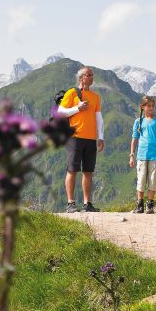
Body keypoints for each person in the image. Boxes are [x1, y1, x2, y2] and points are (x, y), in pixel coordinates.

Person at [58, 66, 104, 212]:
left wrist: (101, 137)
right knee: (72, 170)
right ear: (81, 77)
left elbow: (99, 118)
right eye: (88, 75)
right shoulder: (72, 93)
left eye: (92, 75)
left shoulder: (95, 97)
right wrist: (77, 109)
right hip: (75, 137)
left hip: (91, 138)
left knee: (88, 171)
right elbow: (60, 112)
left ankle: (87, 203)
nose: (91, 77)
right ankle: (70, 203)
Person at [129, 96, 156, 214]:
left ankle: (150, 204)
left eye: (152, 106)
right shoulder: (138, 122)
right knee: (141, 179)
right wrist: (132, 155)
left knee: (152, 180)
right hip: (142, 155)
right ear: (142, 107)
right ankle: (140, 205)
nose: (151, 108)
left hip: (154, 155)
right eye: (148, 106)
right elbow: (134, 138)